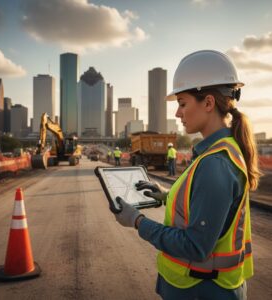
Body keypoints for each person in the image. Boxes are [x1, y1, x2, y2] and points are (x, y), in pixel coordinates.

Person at [112, 50, 261, 299]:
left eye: (182, 103)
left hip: (202, 290)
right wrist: (165, 196)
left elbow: (195, 246)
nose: (177, 113)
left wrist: (137, 221)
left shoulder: (215, 163)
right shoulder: (216, 152)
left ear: (209, 103)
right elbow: (204, 204)